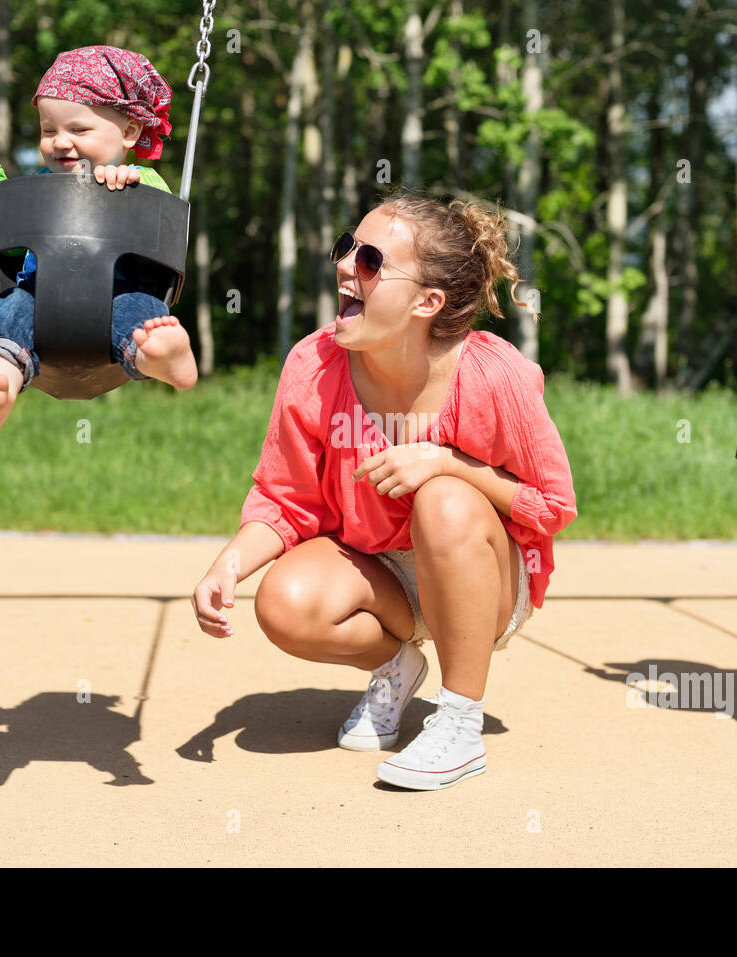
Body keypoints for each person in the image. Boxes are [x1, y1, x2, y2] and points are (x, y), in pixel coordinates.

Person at [192, 194, 577, 789]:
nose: (347, 264)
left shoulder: (494, 375)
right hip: (380, 573)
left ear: (428, 302)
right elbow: (286, 499)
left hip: (485, 576)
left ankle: (458, 723)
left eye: (371, 259)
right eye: (347, 245)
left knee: (443, 499)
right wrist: (229, 563)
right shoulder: (312, 364)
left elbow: (551, 507)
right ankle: (397, 667)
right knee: (283, 602)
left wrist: (448, 463)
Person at [0, 45, 198, 437]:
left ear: (130, 132)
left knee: (141, 316)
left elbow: (159, 205)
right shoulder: (38, 187)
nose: (61, 142)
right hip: (37, 302)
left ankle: (164, 357)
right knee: (5, 312)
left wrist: (131, 182)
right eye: (49, 130)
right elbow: (10, 243)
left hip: (117, 300)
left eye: (79, 130)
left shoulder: (138, 180)